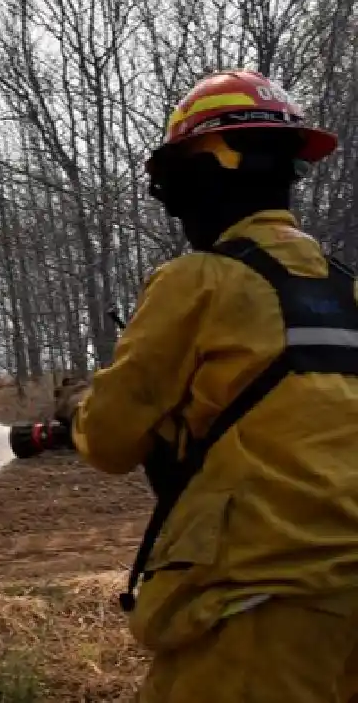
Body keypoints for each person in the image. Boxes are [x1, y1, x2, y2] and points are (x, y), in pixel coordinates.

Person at [66, 69, 358, 702]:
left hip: (264, 594)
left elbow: (111, 441)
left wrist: (80, 413)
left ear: (206, 175)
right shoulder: (345, 286)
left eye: (174, 183)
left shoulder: (198, 280)